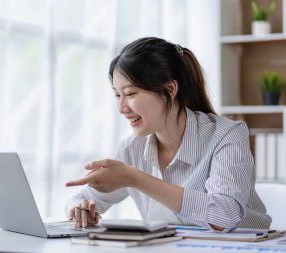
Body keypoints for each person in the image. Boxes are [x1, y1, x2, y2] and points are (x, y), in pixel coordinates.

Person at [65, 37, 271, 232]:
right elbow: (82, 198)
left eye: (129, 94)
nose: (121, 108)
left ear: (170, 89)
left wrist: (135, 178)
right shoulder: (131, 149)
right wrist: (78, 209)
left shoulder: (227, 135)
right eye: (117, 95)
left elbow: (224, 216)